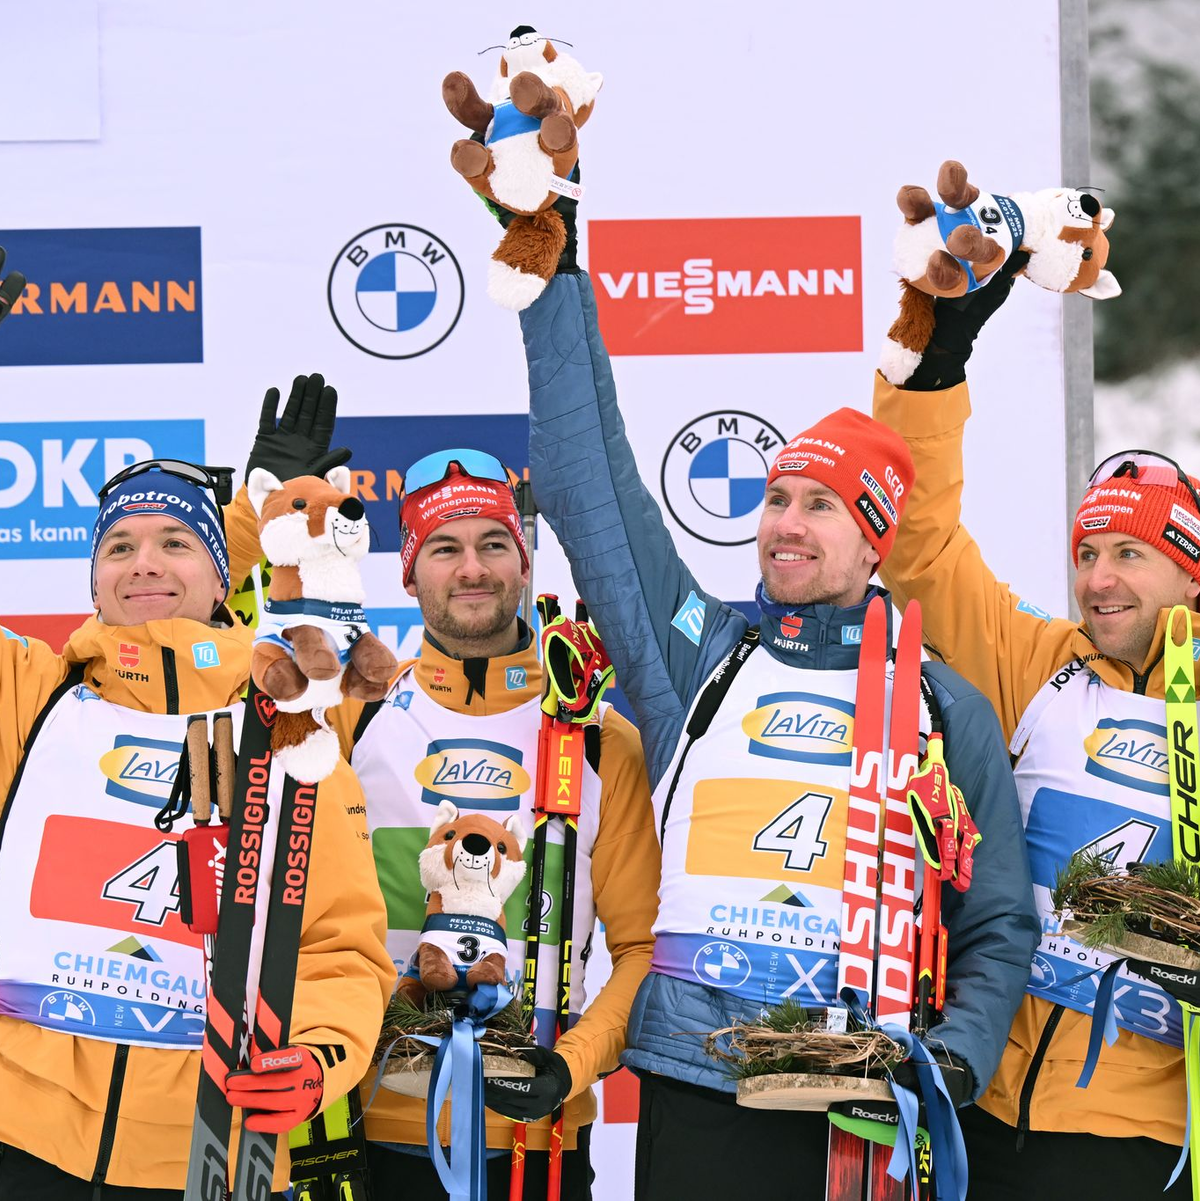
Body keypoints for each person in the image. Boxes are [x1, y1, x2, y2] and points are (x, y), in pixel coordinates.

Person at [505, 226, 1040, 1196]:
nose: (786, 522)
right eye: (777, 496)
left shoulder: (939, 701)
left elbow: (996, 916)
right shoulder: (698, 656)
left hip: (861, 1093)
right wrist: (553, 275)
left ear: (876, 537)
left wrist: (955, 1056)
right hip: (701, 1085)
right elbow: (591, 492)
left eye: (821, 504)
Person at [232, 409, 661, 1200]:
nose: (473, 568)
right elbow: (226, 678)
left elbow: (642, 948)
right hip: (363, 1125)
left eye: (494, 543)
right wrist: (255, 530)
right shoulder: (350, 714)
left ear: (524, 563)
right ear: (409, 571)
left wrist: (571, 1064)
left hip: (539, 1136)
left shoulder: (600, 738)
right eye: (445, 547)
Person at [872, 251, 1198, 1198]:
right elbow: (922, 547)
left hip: (1139, 1135)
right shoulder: (1039, 665)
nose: (1098, 577)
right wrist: (939, 360)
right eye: (1088, 550)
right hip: (985, 1102)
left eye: (1130, 552)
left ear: (1189, 571)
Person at [0, 447, 396, 1195]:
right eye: (120, 547)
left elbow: (342, 946)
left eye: (176, 544)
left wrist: (316, 1055)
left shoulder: (293, 734)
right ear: (93, 580)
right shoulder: (31, 697)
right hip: (24, 1134)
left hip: (220, 1146)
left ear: (225, 577)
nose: (143, 563)